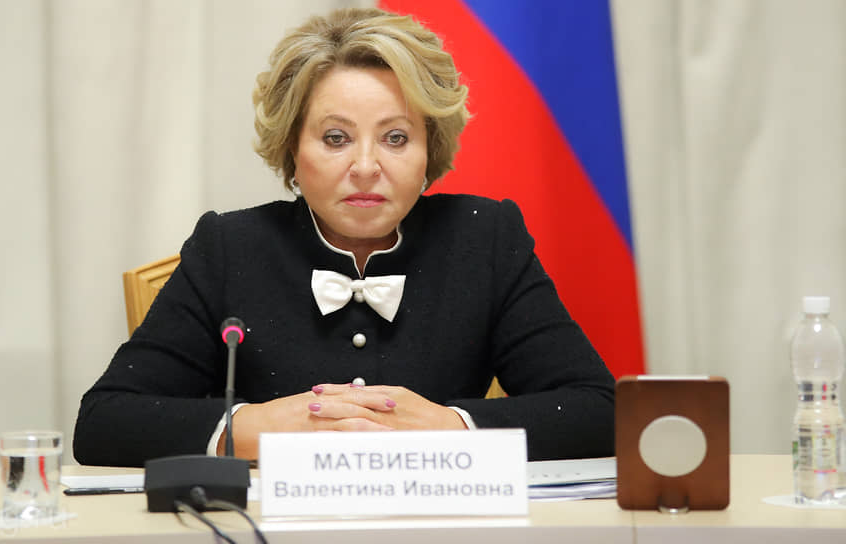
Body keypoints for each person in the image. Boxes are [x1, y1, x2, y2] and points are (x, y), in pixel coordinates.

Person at [73, 7, 615, 466]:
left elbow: (602, 410)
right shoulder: (229, 248)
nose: (365, 167)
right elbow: (103, 422)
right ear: (292, 149)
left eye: (395, 138)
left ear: (430, 150)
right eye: (336, 138)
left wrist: (450, 427)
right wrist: (256, 427)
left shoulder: (485, 238)